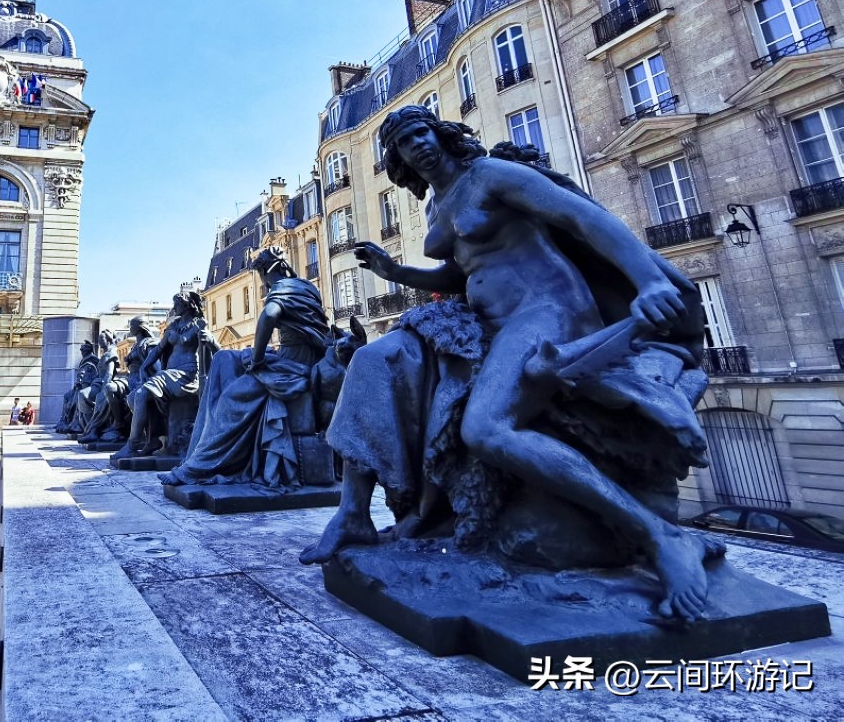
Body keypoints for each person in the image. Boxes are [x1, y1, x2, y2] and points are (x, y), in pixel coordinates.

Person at [300, 105, 716, 623]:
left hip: (546, 313)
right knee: (372, 359)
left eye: (422, 132)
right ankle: (352, 515)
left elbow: (583, 218)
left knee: (487, 429)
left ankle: (660, 537)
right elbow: (464, 273)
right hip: (486, 322)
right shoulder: (438, 207)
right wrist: (395, 269)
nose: (419, 145)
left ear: (441, 134)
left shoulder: (492, 175)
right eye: (406, 143)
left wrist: (650, 282)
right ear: (399, 159)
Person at [160, 249, 329, 488]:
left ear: (265, 272)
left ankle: (197, 467)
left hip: (293, 368)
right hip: (294, 359)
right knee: (224, 358)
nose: (264, 284)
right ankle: (198, 447)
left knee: (231, 399)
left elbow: (268, 316)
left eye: (261, 277)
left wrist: (258, 359)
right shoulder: (307, 287)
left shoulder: (282, 289)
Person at [117, 293, 216, 460]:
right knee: (133, 397)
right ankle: (152, 439)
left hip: (186, 374)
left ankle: (132, 445)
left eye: (177, 304)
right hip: (168, 374)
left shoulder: (198, 325)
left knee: (141, 395)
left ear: (188, 305)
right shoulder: (173, 326)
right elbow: (158, 350)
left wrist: (211, 340)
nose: (174, 307)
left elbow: (214, 348)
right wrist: (144, 366)